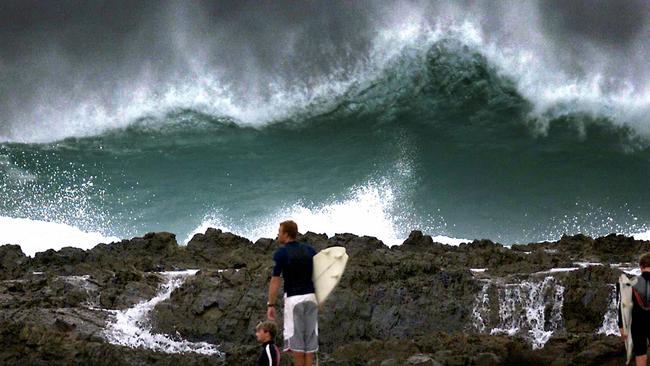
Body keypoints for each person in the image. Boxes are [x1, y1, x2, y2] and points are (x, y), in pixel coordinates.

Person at [267, 220, 318, 366]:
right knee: (309, 345)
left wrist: (271, 304)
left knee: (297, 345)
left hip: (294, 300)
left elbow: (275, 281)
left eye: (279, 231)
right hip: (311, 298)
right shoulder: (310, 250)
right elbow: (319, 275)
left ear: (286, 234)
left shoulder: (281, 253)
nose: (277, 233)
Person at [619, 252, 650, 366]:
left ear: (641, 267)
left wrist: (621, 326)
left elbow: (623, 304)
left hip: (638, 324)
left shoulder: (632, 283)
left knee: (641, 355)